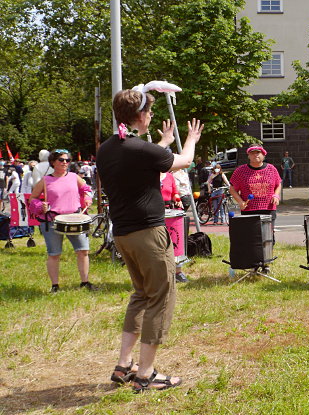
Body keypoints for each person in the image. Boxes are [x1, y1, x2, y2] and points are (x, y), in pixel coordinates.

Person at [97, 87, 203, 392]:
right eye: (150, 111)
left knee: (141, 295)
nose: (153, 115)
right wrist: (191, 140)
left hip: (124, 235)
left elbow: (141, 159)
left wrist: (162, 143)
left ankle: (123, 365)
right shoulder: (140, 149)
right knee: (160, 298)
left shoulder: (108, 148)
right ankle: (146, 373)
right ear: (140, 115)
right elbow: (183, 162)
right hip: (148, 234)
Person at [28, 149, 95, 293]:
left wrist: (88, 198)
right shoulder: (46, 180)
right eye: (61, 160)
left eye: (67, 160)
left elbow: (86, 188)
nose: (65, 162)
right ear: (53, 162)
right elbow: (32, 198)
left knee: (83, 251)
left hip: (75, 219)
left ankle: (85, 282)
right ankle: (55, 286)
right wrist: (40, 206)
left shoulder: (74, 177)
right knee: (54, 254)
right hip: (52, 221)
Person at [230, 144, 282, 274]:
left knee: (268, 237)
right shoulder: (241, 171)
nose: (256, 155)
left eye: (258, 153)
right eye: (252, 153)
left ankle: (266, 263)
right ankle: (254, 263)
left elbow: (278, 184)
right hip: (250, 210)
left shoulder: (271, 169)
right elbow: (232, 188)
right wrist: (240, 202)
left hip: (268, 208)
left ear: (263, 155)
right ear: (248, 156)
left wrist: (276, 195)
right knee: (252, 238)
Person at [160, 171, 188, 284]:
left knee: (176, 241)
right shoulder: (149, 174)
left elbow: (174, 193)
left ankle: (178, 272)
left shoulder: (170, 177)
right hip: (154, 211)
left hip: (169, 211)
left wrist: (178, 200)